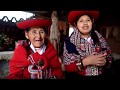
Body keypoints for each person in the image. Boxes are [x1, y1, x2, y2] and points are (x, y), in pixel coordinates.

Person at [63, 11, 113, 80]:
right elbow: (67, 66)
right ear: (76, 24)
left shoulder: (100, 38)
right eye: (81, 21)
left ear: (92, 22)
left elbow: (109, 56)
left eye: (88, 20)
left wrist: (105, 62)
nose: (85, 23)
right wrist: (86, 61)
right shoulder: (70, 42)